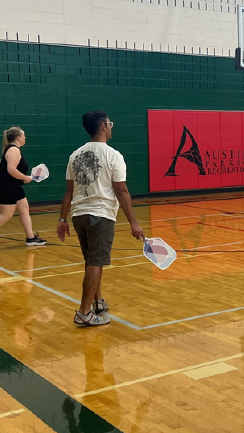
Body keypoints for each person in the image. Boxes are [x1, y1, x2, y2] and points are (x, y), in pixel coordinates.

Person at [57, 111, 145, 327]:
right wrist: (134, 222)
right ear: (103, 126)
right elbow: (122, 191)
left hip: (78, 215)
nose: (111, 127)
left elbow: (69, 191)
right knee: (96, 262)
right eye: (110, 123)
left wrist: (62, 219)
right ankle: (84, 313)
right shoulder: (114, 155)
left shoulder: (75, 155)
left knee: (91, 262)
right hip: (101, 215)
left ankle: (97, 301)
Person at [0, 127, 47, 251]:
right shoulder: (14, 150)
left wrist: (19, 179)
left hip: (13, 185)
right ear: (18, 137)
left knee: (24, 209)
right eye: (23, 136)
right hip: (7, 186)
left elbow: (1, 167)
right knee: (6, 214)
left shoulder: (11, 150)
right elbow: (11, 170)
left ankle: (30, 238)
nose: (25, 138)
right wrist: (25, 177)